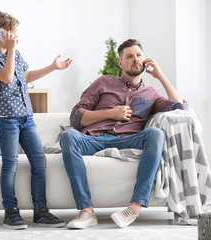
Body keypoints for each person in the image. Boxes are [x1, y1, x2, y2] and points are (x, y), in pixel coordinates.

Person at [60, 39, 188, 229]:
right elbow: (76, 118)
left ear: (144, 61)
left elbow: (181, 106)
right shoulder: (103, 82)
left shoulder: (151, 92)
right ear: (121, 63)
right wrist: (111, 113)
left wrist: (160, 75)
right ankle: (86, 211)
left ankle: (135, 207)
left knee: (155, 134)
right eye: (129, 56)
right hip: (93, 139)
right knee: (68, 136)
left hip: (127, 140)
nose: (135, 59)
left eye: (138, 55)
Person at [0, 10, 72, 230]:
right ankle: (10, 213)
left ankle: (40, 211)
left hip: (26, 118)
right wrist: (11, 50)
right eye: (13, 33)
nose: (16, 37)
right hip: (7, 121)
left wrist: (53, 67)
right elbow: (7, 77)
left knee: (39, 163)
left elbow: (25, 76)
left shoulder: (16, 52)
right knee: (10, 165)